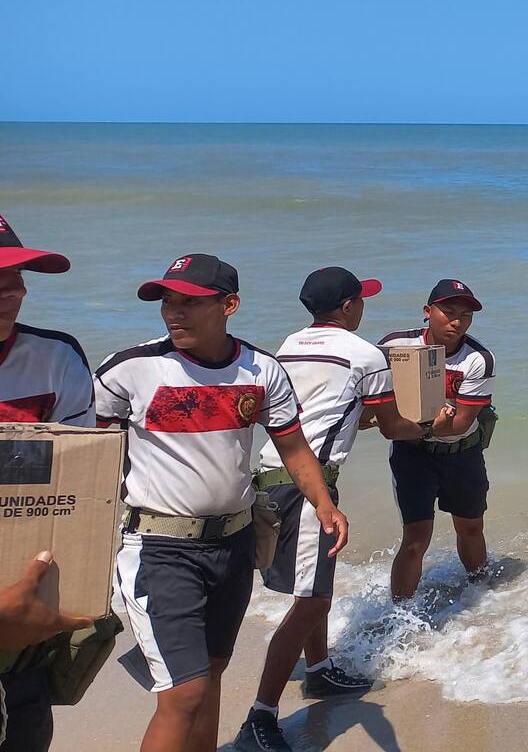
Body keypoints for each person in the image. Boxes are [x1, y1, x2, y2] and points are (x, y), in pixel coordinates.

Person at [94, 254, 349, 752]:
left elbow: (294, 446)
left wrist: (324, 503)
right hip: (158, 547)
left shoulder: (261, 369)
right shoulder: (129, 370)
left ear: (229, 305)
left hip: (233, 544)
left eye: (190, 302)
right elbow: (87, 456)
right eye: (168, 302)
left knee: (210, 675)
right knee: (183, 693)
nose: (174, 313)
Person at [238, 268, 445, 752]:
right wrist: (430, 426)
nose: (364, 309)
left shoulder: (287, 346)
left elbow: (326, 411)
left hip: (271, 477)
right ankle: (261, 715)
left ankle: (318, 671)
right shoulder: (365, 354)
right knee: (310, 600)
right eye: (361, 301)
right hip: (312, 488)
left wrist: (366, 417)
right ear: (349, 307)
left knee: (318, 588)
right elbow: (395, 426)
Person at [0, 215, 95, 752]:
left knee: (27, 729)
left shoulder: (57, 358)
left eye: (18, 274)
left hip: (24, 577)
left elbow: (78, 482)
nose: (13, 289)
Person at [379, 279, 496, 601]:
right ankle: (399, 613)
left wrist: (404, 426)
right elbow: (371, 398)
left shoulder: (478, 359)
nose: (457, 321)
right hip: (412, 455)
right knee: (416, 537)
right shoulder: (394, 347)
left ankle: (482, 597)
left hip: (462, 453)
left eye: (465, 315)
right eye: (448, 312)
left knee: (470, 528)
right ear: (428, 312)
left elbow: (460, 423)